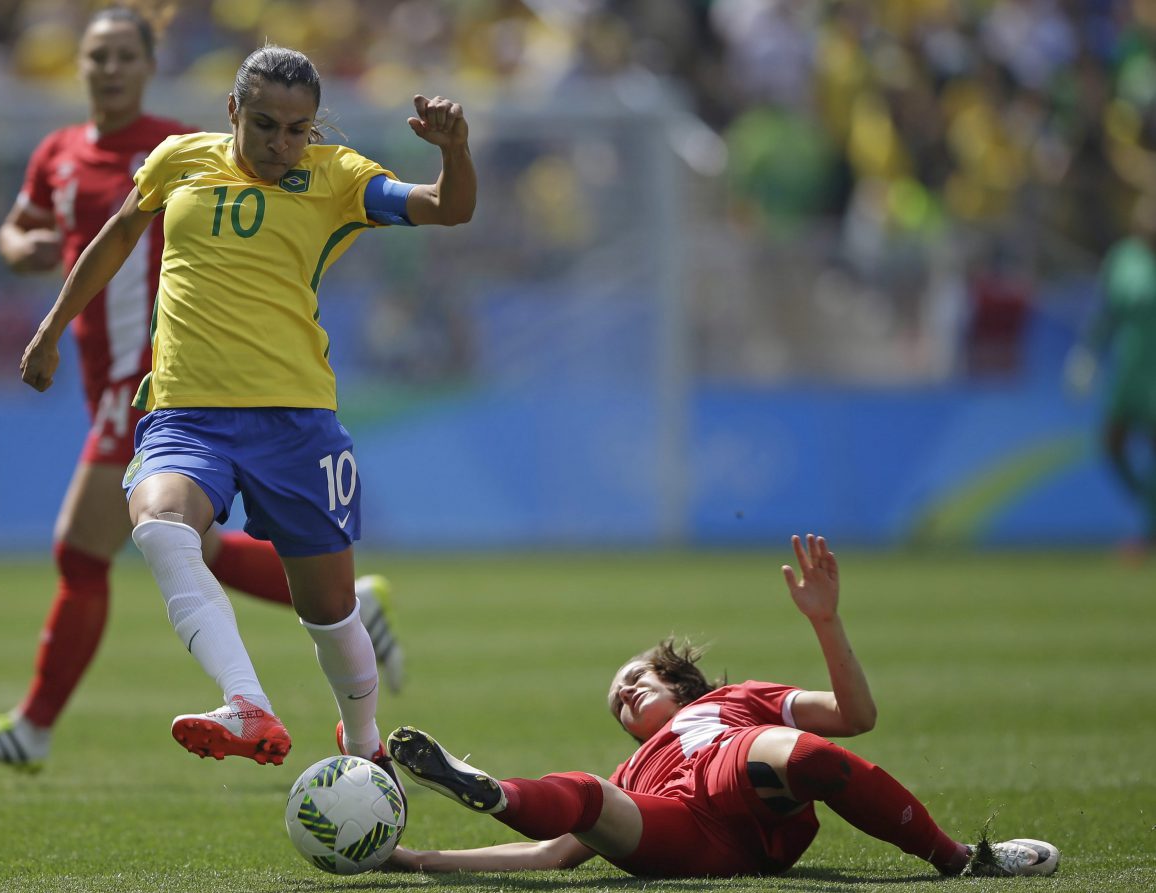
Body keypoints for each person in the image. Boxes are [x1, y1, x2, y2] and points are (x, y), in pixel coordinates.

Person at [0, 6, 404, 774]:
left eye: (124, 54)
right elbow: (22, 230)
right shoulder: (58, 151)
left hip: (167, 381)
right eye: (96, 55)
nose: (109, 68)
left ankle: (36, 726)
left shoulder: (186, 146)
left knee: (96, 546)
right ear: (79, 65)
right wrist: (29, 259)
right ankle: (346, 615)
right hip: (105, 376)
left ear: (150, 65)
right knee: (196, 542)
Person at [15, 42, 474, 772]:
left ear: (315, 129)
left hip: (296, 424)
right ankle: (247, 703)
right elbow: (117, 236)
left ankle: (364, 747)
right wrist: (51, 328)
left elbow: (449, 208)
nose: (280, 143)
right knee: (162, 526)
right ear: (232, 110)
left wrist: (455, 152)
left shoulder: (339, 178)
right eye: (264, 124)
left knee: (330, 614)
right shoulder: (178, 160)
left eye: (297, 130)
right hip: (187, 415)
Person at [384, 534, 1060, 879]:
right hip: (684, 832)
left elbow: (856, 718)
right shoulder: (633, 768)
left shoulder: (733, 703)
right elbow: (544, 858)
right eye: (616, 702)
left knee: (810, 753)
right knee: (591, 794)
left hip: (736, 772)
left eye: (632, 677)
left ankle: (960, 858)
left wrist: (826, 622)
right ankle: (494, 789)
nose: (623, 693)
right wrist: (412, 858)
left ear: (678, 680)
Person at [1065, 192, 1156, 552]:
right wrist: (1088, 355)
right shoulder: (1124, 259)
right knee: (1112, 443)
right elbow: (1106, 313)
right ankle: (1149, 507)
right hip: (1130, 366)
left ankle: (1149, 533)